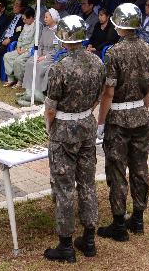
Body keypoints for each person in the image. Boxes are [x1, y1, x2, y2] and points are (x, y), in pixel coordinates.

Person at [42, 16, 105, 262]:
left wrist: (50, 128)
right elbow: (100, 94)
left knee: (64, 187)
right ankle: (89, 240)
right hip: (87, 126)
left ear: (63, 39)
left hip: (64, 130)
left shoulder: (60, 67)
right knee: (87, 182)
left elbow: (50, 106)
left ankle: (66, 246)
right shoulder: (98, 62)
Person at [96, 3, 149, 241]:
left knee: (118, 170)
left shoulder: (113, 53)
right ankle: (138, 218)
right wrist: (141, 109)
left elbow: (108, 92)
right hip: (141, 116)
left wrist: (100, 123)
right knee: (140, 168)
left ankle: (119, 224)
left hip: (118, 120)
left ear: (118, 26)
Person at [19, 9, 61, 101]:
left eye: (46, 17)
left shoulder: (58, 31)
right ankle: (28, 90)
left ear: (53, 18)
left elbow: (57, 49)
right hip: (41, 54)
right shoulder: (45, 29)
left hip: (51, 57)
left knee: (39, 66)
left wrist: (44, 57)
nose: (44, 19)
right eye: (44, 17)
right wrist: (37, 55)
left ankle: (38, 92)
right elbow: (40, 45)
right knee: (30, 62)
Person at [2, 8, 37, 87]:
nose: (23, 21)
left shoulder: (37, 26)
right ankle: (10, 79)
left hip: (30, 50)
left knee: (19, 60)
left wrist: (26, 50)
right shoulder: (25, 25)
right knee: (7, 56)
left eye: (25, 19)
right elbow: (20, 38)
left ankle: (20, 81)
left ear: (31, 18)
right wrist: (18, 47)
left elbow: (35, 42)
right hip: (21, 48)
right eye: (23, 19)